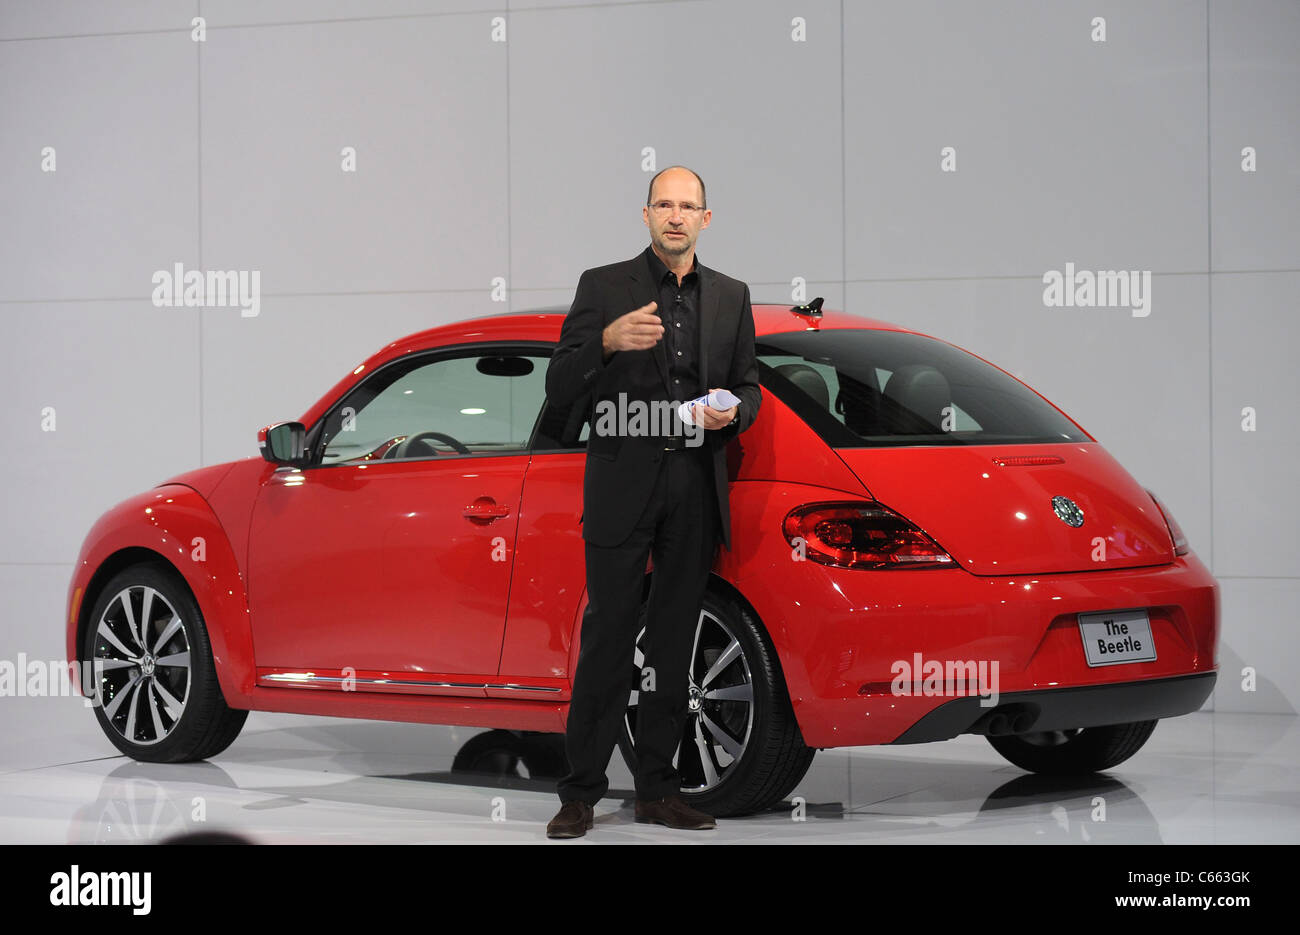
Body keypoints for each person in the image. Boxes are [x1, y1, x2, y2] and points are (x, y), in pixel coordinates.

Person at [543, 166, 760, 838]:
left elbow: (749, 386)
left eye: (686, 205)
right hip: (622, 482)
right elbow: (558, 382)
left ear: (706, 218)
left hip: (694, 484)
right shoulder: (604, 287)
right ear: (645, 215)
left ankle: (658, 789)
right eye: (663, 204)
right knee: (608, 638)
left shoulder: (731, 295)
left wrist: (735, 412)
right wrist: (606, 342)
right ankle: (580, 792)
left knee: (673, 642)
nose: (675, 215)